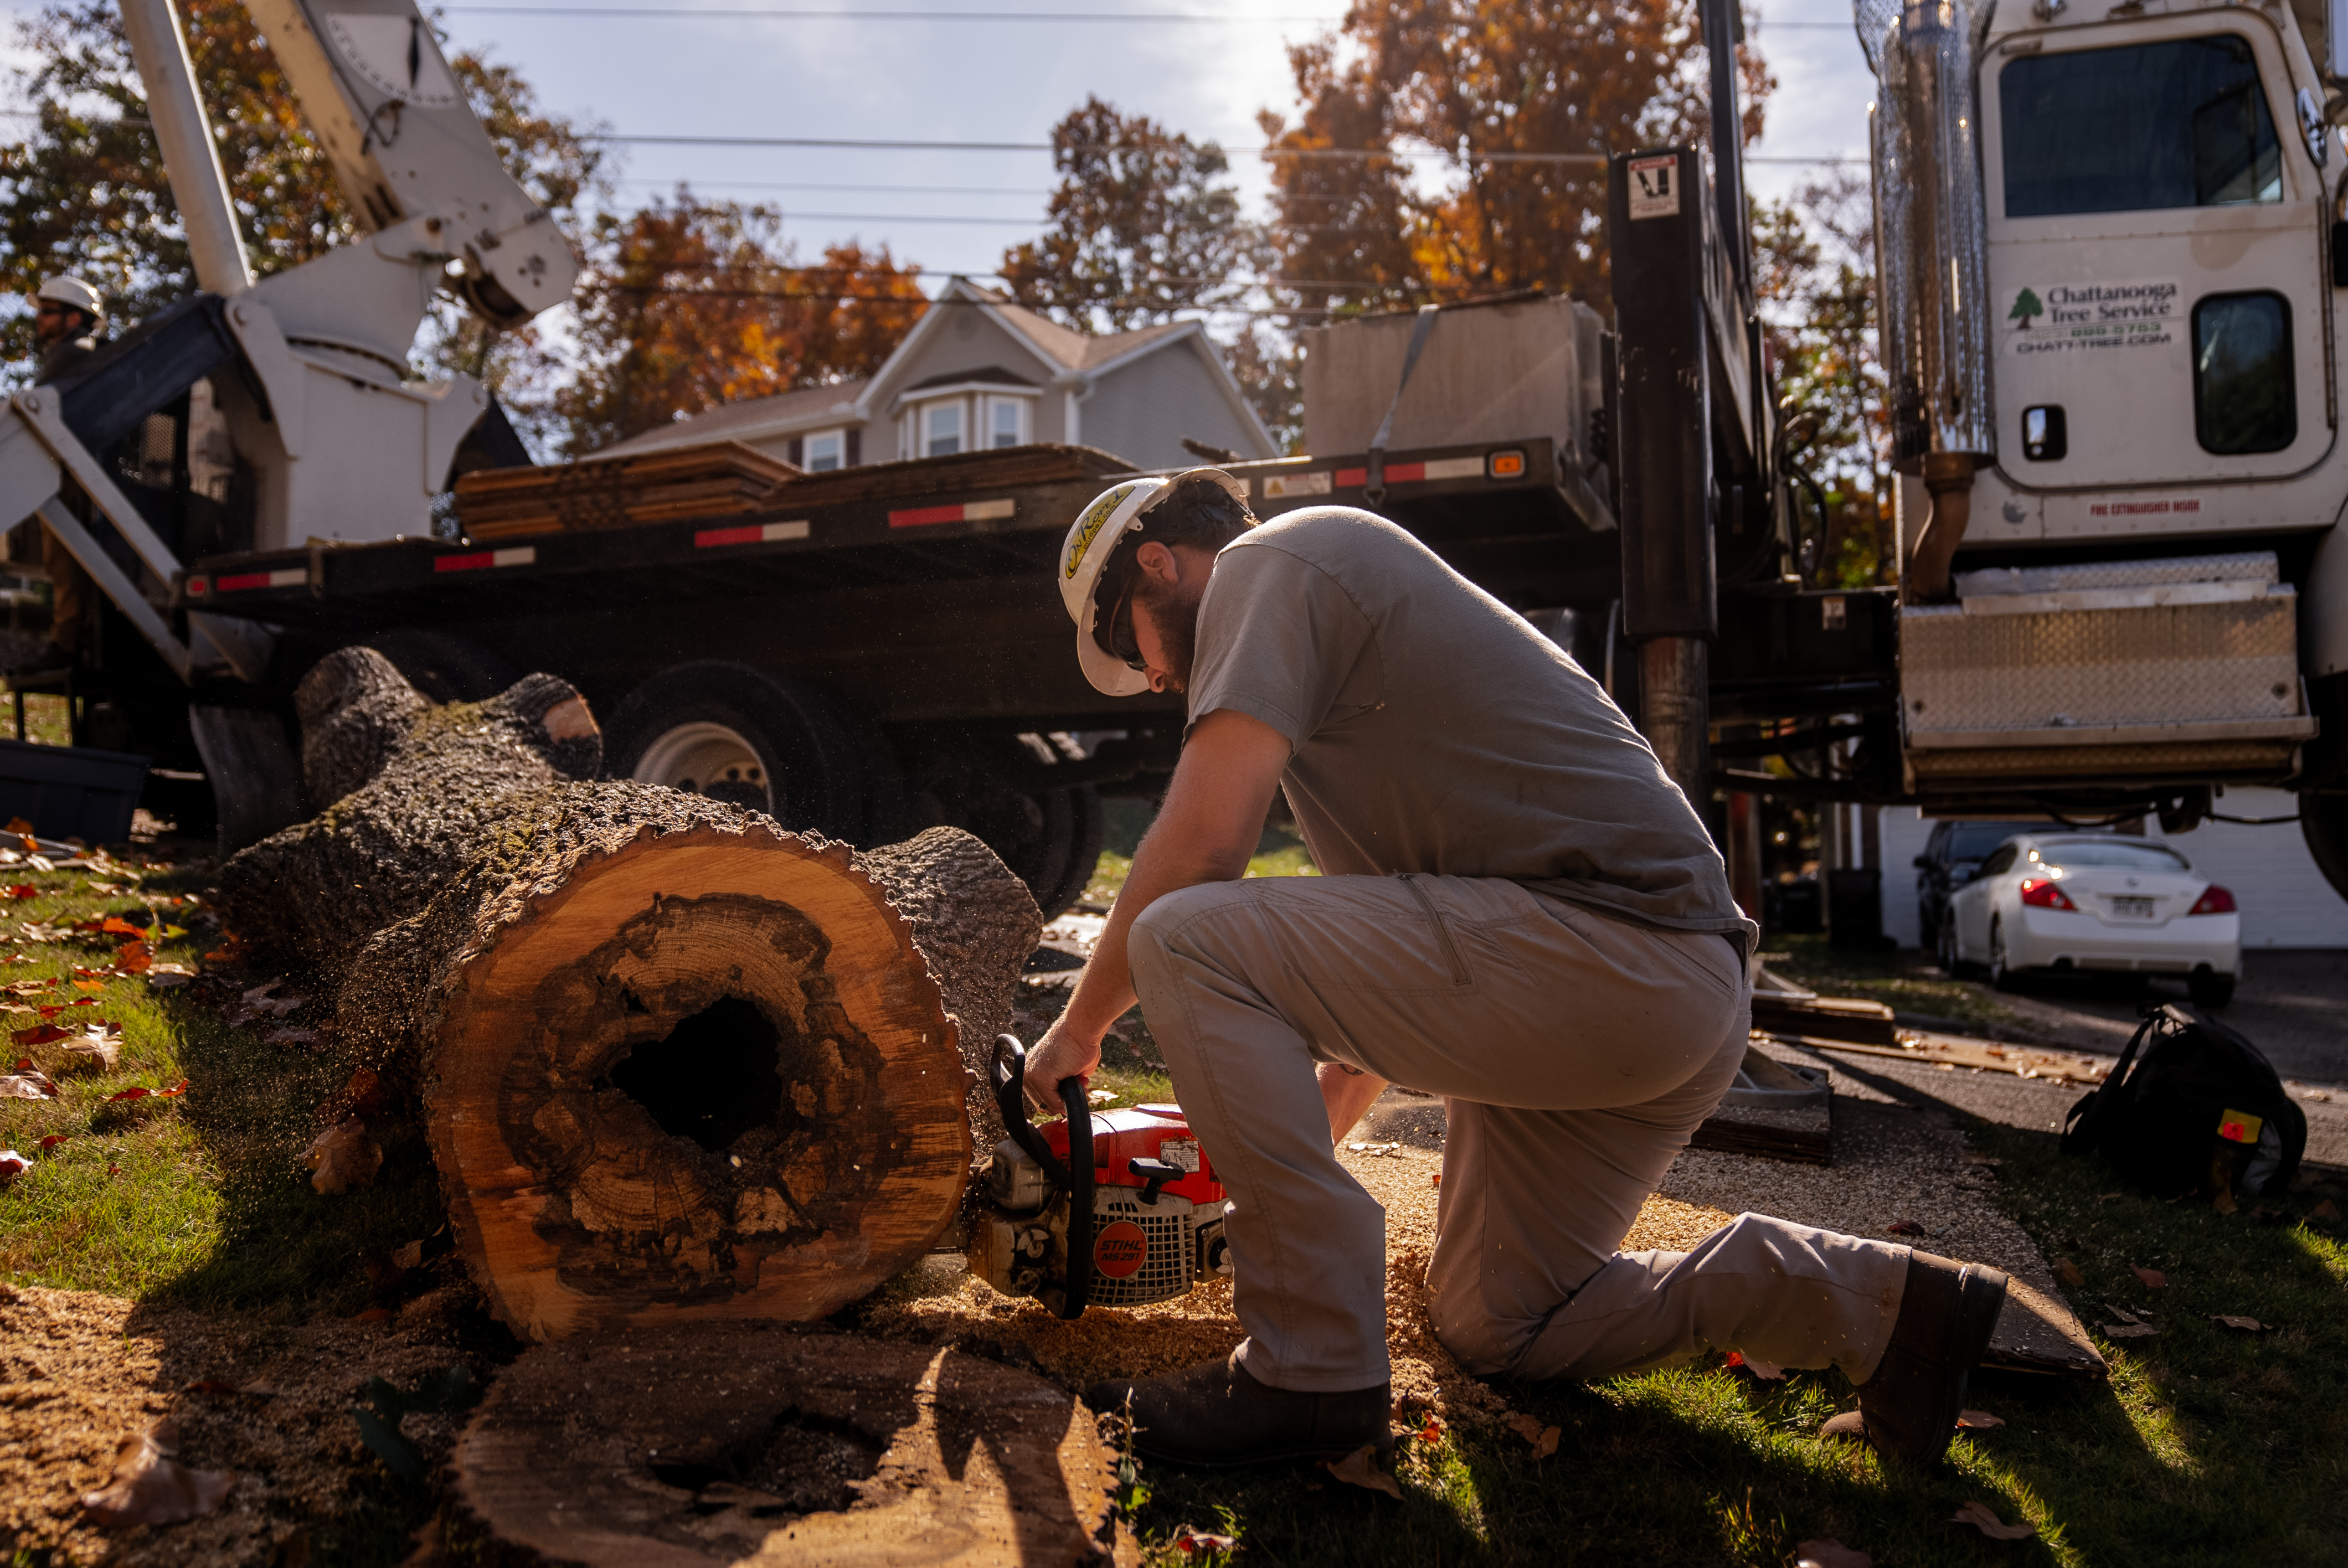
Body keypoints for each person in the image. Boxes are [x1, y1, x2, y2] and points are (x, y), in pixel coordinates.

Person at [1029, 471, 2007, 1472]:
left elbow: (1200, 847)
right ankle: (1893, 1309)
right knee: (1501, 1323)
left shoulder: (1268, 560)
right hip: (1645, 996)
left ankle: (1306, 1374)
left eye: (1127, 649)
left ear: (1155, 566)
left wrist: (1079, 1031)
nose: (1150, 680)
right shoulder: (1347, 713)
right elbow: (1382, 996)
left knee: (1185, 932)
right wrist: (1256, 1158)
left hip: (1612, 957)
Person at [25, 276, 107, 667]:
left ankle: (66, 644)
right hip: (76, 471)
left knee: (63, 561)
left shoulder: (72, 354)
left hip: (69, 476)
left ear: (74, 318)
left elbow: (35, 409)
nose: (39, 319)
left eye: (47, 312)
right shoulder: (79, 354)